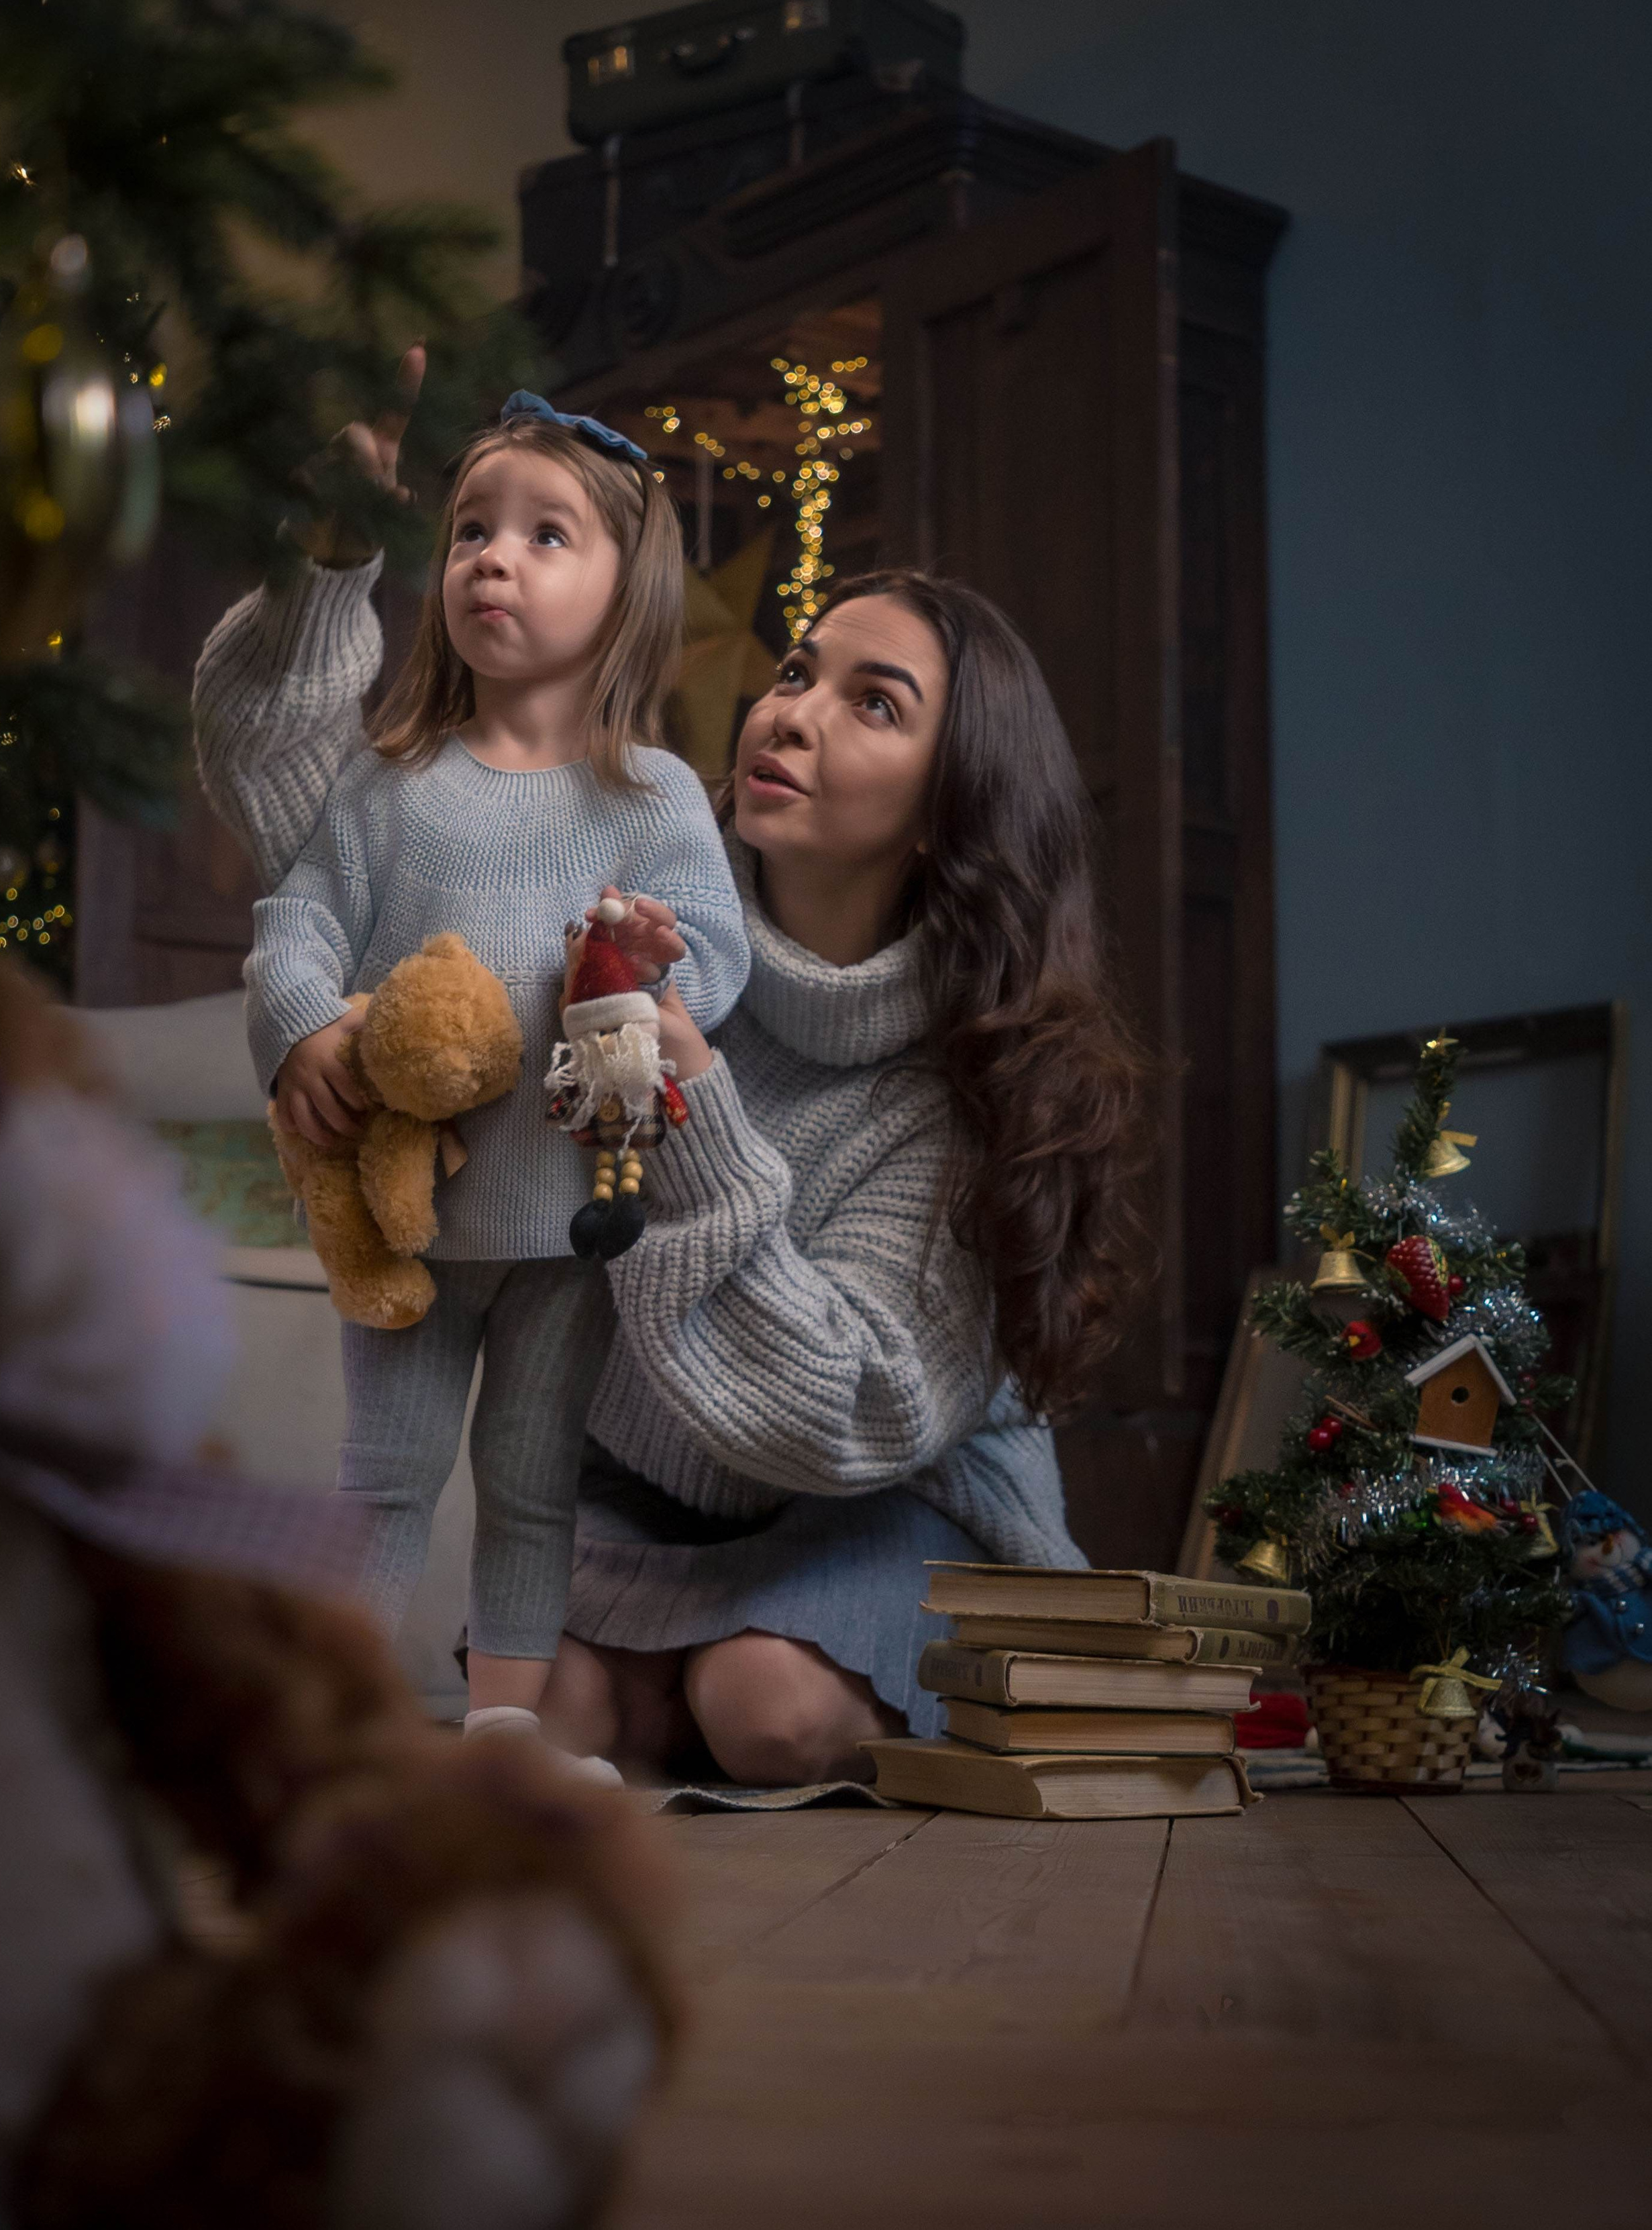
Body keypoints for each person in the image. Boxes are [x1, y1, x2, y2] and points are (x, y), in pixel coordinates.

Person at [195, 364, 1144, 1786]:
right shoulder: (620, 898)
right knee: (546, 1719)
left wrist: (672, 1091)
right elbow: (293, 808)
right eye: (795, 672)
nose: (792, 713)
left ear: (955, 816)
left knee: (761, 1709)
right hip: (645, 1507)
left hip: (874, 1500)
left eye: (871, 703)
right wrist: (327, 1043)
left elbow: (846, 1418)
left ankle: (807, 1672)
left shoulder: (952, 1093)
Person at [209, 380, 751, 1753]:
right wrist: (305, 1031)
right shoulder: (391, 779)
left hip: (567, 1217)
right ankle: (333, 1719)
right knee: (382, 1472)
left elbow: (717, 964)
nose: (491, 559)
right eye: (467, 532)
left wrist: (648, 966)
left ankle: (504, 1731)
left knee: (527, 1482)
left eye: (543, 534)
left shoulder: (652, 795)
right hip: (406, 1212)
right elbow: (297, 925)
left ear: (629, 595)